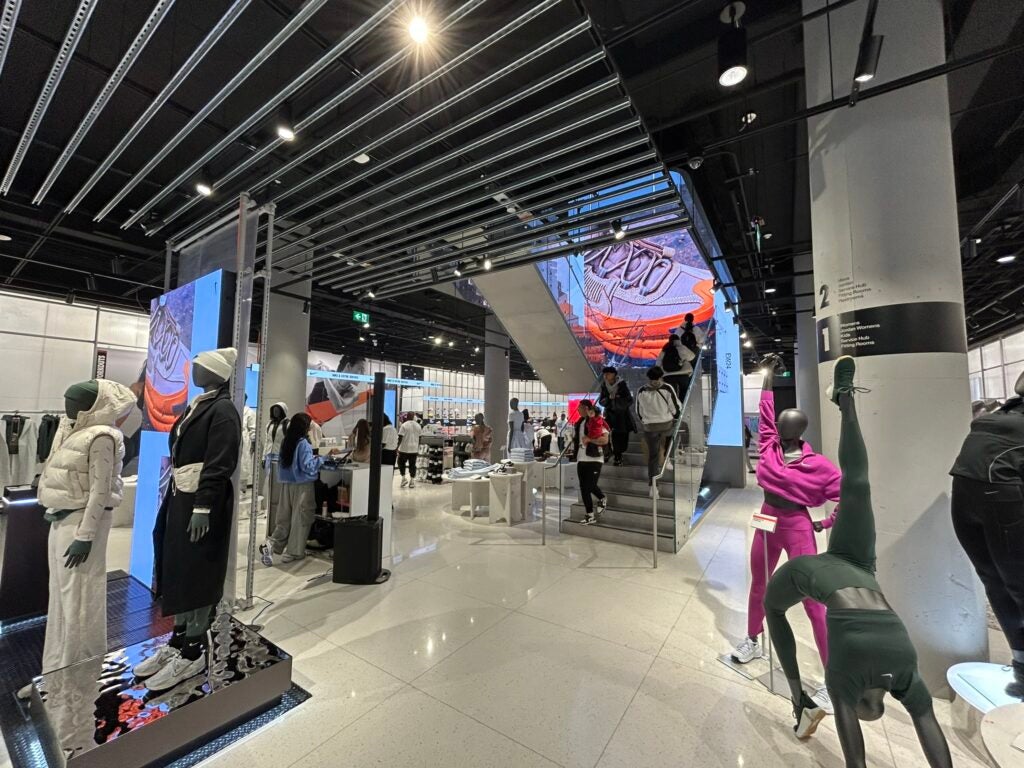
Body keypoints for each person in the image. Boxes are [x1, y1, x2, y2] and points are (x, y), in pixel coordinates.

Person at [764, 357, 953, 767]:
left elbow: (928, 729)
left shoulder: (907, 676)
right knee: (773, 606)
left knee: (857, 486)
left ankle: (799, 700)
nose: (780, 429)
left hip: (851, 567)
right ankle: (845, 398)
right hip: (840, 567)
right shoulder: (846, 682)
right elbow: (857, 761)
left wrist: (825, 521)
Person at [731, 353, 840, 710]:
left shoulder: (820, 466)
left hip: (796, 526)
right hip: (767, 518)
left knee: (813, 602)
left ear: (799, 430)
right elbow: (764, 412)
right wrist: (767, 377)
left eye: (783, 424)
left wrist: (823, 522)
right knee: (758, 583)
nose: (777, 426)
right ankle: (752, 638)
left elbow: (848, 499)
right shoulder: (768, 446)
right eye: (776, 423)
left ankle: (832, 678)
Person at [26, 380, 136, 698]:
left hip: (82, 527)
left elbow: (101, 491)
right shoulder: (70, 428)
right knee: (60, 600)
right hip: (61, 522)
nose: (68, 406)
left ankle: (80, 676)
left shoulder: (102, 437)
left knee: (80, 601)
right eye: (67, 400)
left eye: (75, 401)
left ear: (92, 406)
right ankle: (54, 674)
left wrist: (85, 535)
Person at [949, 369, 1024, 696]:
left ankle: (1022, 666)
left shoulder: (998, 416)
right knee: (1003, 583)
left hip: (984, 498)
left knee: (1008, 583)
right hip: (983, 499)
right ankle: (1021, 664)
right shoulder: (1005, 413)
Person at [261, 413, 336, 566]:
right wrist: (324, 458)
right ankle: (293, 552)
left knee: (284, 519)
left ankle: (272, 544)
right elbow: (307, 466)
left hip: (286, 485)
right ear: (304, 426)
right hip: (302, 486)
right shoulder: (303, 444)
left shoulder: (287, 441)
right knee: (301, 518)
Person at [635, 366, 682, 484]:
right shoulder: (667, 388)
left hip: (649, 427)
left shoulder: (641, 390)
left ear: (648, 377)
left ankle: (653, 485)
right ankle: (668, 458)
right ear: (661, 376)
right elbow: (675, 407)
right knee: (674, 436)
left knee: (653, 456)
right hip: (666, 424)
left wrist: (645, 420)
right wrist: (675, 415)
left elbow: (638, 411)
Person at [573, 400, 609, 525]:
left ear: (587, 408)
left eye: (580, 407)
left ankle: (602, 497)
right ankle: (590, 515)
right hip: (581, 458)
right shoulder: (580, 423)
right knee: (584, 488)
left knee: (589, 485)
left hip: (594, 459)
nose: (578, 410)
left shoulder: (597, 420)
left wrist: (590, 439)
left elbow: (605, 440)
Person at [598, 366, 635, 466]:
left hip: (621, 416)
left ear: (614, 374)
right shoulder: (604, 386)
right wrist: (609, 399)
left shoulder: (622, 385)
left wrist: (617, 399)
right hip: (609, 414)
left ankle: (618, 456)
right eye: (605, 374)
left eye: (608, 374)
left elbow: (629, 400)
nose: (605, 376)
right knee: (605, 433)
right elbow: (601, 401)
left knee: (620, 436)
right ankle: (608, 452)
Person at [655, 331, 697, 402]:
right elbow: (692, 357)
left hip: (668, 376)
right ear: (678, 340)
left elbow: (658, 364)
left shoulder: (665, 349)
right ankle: (682, 407)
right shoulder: (681, 348)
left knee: (671, 395)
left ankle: (674, 409)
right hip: (682, 375)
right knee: (684, 393)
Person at [397, 413, 423, 488]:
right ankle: (412, 481)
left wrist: (397, 447)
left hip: (404, 449)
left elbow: (400, 437)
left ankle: (403, 478)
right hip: (414, 449)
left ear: (407, 416)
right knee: (412, 465)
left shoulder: (404, 425)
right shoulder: (418, 426)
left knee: (401, 463)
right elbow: (420, 438)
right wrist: (417, 447)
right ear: (413, 417)